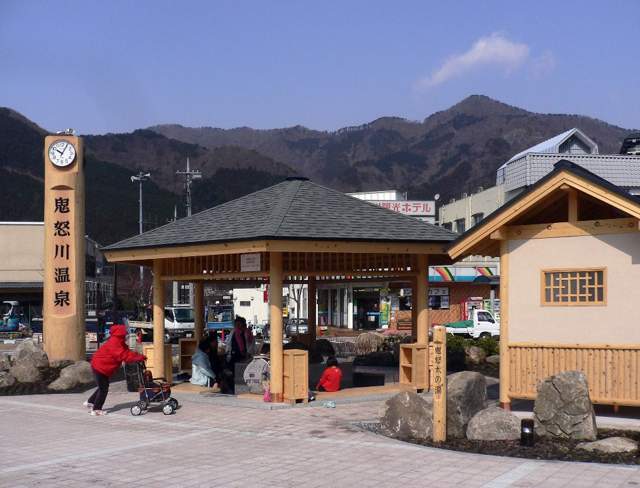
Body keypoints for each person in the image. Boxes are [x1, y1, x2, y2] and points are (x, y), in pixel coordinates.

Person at [85, 323, 146, 416]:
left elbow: (127, 351)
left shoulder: (118, 341)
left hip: (101, 367)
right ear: (121, 334)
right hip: (100, 367)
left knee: (103, 386)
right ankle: (96, 409)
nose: (126, 335)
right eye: (125, 333)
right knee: (103, 389)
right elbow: (124, 356)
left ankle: (90, 402)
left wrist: (137, 355)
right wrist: (139, 358)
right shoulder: (115, 343)